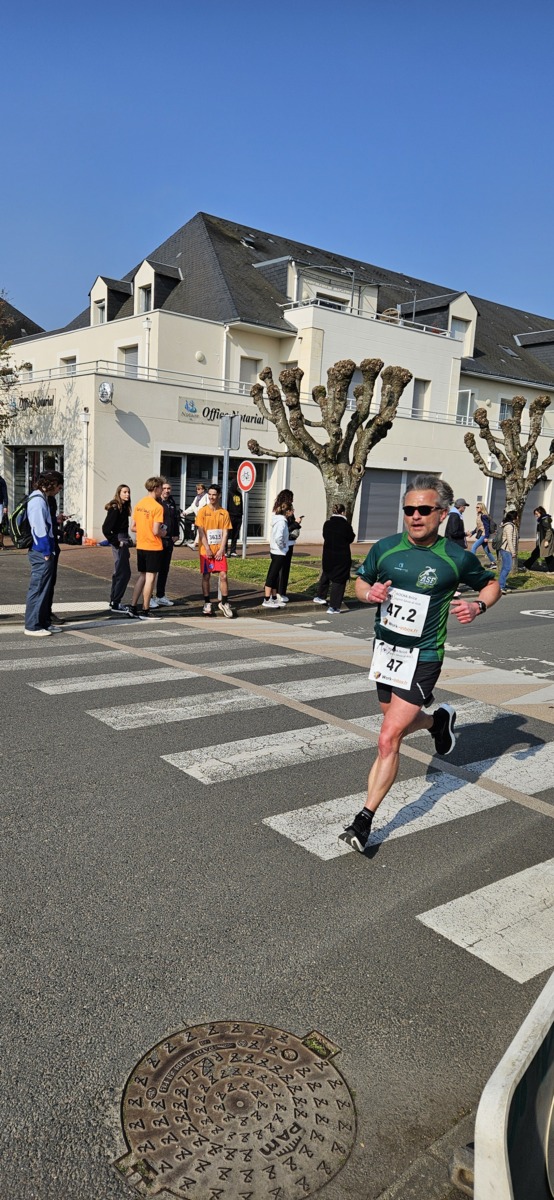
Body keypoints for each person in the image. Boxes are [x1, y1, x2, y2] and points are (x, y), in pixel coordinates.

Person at [340, 473, 500, 853]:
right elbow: (360, 582)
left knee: (387, 737)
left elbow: (492, 584)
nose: (415, 516)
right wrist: (369, 593)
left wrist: (477, 606)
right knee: (397, 724)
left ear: (442, 514)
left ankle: (363, 820)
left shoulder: (455, 558)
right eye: (409, 509)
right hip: (386, 653)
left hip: (424, 656)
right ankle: (436, 721)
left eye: (424, 510)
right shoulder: (385, 549)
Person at [24, 470, 65, 637]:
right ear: (52, 484)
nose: (59, 491)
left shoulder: (41, 498)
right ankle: (32, 625)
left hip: (43, 550)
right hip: (41, 551)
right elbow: (39, 529)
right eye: (59, 487)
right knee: (39, 588)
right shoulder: (38, 500)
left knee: (43, 588)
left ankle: (43, 622)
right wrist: (46, 551)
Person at [128, 476, 167, 620]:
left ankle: (133, 607)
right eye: (161, 488)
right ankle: (145, 609)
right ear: (156, 488)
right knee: (151, 578)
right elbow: (156, 531)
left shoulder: (139, 504)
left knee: (142, 576)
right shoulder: (157, 507)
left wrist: (144, 529)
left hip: (141, 545)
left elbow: (133, 527)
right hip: (153, 546)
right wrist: (164, 532)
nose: (162, 491)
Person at [194, 483, 234, 617]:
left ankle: (224, 602)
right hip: (206, 550)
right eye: (210, 494)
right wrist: (207, 548)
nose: (211, 497)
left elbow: (225, 533)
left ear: (219, 496)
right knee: (206, 576)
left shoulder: (224, 513)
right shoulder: (202, 512)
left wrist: (221, 549)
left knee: (223, 575)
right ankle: (207, 602)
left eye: (214, 495)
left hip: (219, 550)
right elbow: (201, 532)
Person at [313, 503, 355, 613]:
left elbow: (324, 536)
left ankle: (320, 596)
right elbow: (351, 538)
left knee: (326, 573)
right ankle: (334, 606)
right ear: (343, 512)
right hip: (341, 555)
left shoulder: (327, 524)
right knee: (339, 580)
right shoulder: (346, 525)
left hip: (328, 553)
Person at [102, 484, 133, 613]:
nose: (127, 494)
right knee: (123, 572)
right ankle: (116, 602)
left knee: (119, 571)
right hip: (120, 540)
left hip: (123, 539)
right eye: (124, 492)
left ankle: (114, 600)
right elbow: (106, 528)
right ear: (119, 493)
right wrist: (116, 542)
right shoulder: (116, 507)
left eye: (128, 492)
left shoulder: (123, 507)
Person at [151, 481, 179, 607]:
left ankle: (160, 596)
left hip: (169, 540)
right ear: (160, 489)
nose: (167, 491)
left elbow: (175, 519)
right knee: (153, 569)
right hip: (158, 540)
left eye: (169, 488)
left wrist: (176, 533)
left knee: (164, 569)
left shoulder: (171, 502)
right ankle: (149, 597)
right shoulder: (156, 502)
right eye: (164, 488)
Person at [45, 472, 66, 628]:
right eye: (59, 488)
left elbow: (49, 521)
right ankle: (44, 615)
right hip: (47, 546)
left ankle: (46, 612)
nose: (59, 491)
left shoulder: (49, 499)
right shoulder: (43, 499)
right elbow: (43, 524)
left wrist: (57, 521)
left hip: (51, 544)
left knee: (49, 581)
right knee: (46, 582)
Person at [275, 489, 303, 604]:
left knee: (281, 569)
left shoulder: (279, 510)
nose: (293, 500)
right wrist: (296, 523)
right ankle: (280, 592)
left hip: (287, 543)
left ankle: (279, 592)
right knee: (283, 569)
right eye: (291, 498)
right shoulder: (284, 513)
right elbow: (286, 529)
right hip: (286, 543)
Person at [262, 498, 291, 608]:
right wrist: (283, 546)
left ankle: (274, 598)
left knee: (275, 576)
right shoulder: (282, 522)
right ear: (287, 511)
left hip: (276, 551)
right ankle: (266, 599)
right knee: (272, 575)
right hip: (279, 552)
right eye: (292, 510)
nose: (292, 512)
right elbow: (279, 537)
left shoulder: (279, 520)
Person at [524, 506, 554, 573]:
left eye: (537, 514)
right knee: (537, 554)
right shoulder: (542, 520)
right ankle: (526, 566)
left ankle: (552, 570)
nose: (536, 515)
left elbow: (548, 531)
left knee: (547, 555)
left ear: (541, 513)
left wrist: (547, 540)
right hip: (542, 540)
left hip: (545, 540)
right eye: (535, 514)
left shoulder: (544, 520)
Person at [183, 482, 209, 549]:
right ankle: (197, 544)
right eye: (197, 489)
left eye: (199, 489)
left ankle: (196, 544)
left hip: (205, 517)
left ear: (203, 489)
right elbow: (192, 507)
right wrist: (185, 512)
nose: (197, 490)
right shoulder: (197, 498)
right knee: (200, 531)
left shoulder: (207, 496)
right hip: (198, 517)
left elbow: (209, 506)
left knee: (201, 531)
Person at [497, 509, 517, 594]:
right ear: (514, 517)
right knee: (507, 568)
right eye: (517, 516)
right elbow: (509, 539)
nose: (518, 517)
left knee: (505, 568)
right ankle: (501, 586)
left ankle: (502, 584)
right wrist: (513, 552)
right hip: (506, 549)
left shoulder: (510, 525)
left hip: (506, 549)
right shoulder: (509, 526)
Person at [470, 502, 496, 566]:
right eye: (476, 507)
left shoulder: (484, 516)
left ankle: (472, 563)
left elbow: (486, 527)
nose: (476, 508)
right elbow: (478, 527)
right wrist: (472, 533)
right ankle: (493, 563)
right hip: (482, 534)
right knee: (486, 549)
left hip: (483, 535)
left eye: (478, 507)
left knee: (474, 547)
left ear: (481, 508)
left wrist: (486, 537)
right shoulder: (479, 515)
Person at [227, 475, 244, 556]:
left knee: (235, 534)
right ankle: (225, 551)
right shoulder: (229, 493)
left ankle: (233, 550)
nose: (238, 487)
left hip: (238, 516)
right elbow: (227, 504)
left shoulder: (239, 494)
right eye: (237, 485)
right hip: (230, 516)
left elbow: (241, 505)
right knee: (227, 534)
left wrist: (241, 514)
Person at [0, 472, 8, 548]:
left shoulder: (1, 481)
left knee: (1, 524)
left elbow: (5, 495)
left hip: (0, 505)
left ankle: (1, 542)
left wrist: (5, 506)